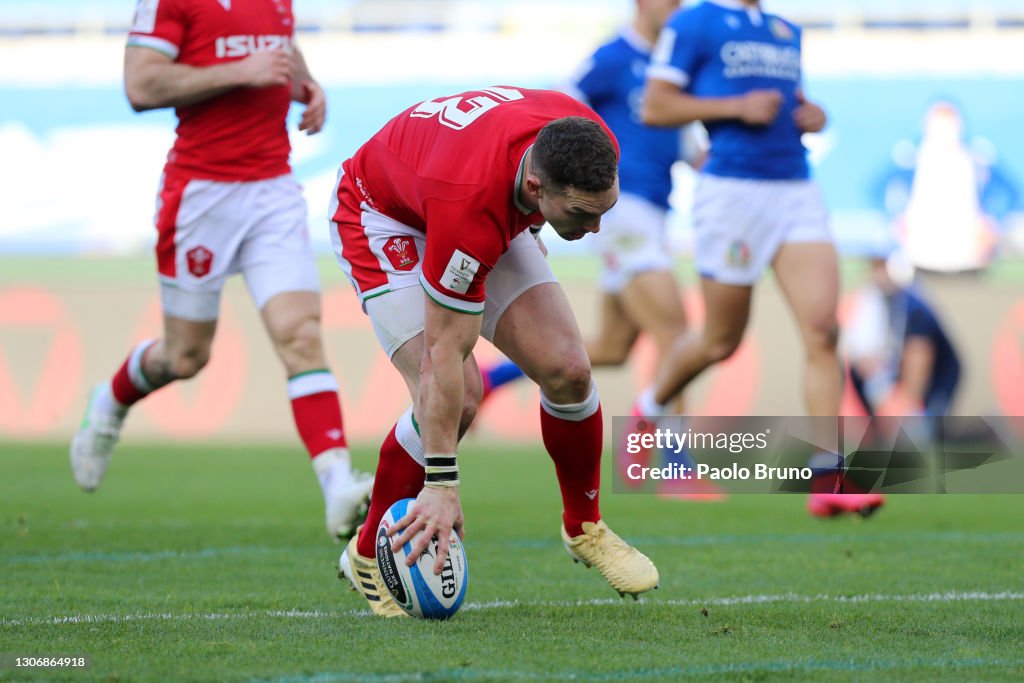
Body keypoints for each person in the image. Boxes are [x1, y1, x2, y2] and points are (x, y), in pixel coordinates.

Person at [330, 86, 659, 617]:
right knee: (459, 399)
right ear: (538, 186)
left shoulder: (591, 139)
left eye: (606, 210)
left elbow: (532, 184)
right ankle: (367, 552)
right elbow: (443, 351)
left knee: (569, 371)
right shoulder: (469, 208)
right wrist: (441, 482)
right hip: (384, 216)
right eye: (581, 213)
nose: (596, 228)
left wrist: (538, 219)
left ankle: (584, 527)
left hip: (479, 198)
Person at [70, 0, 373, 541]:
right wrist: (243, 71)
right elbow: (140, 86)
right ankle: (112, 400)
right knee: (185, 356)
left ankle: (337, 486)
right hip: (200, 196)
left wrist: (306, 84)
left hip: (273, 189)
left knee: (300, 334)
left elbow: (278, 50)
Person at [641, 0, 882, 516]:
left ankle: (830, 473)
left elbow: (797, 104)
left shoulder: (784, 29)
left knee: (823, 329)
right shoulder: (694, 21)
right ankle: (652, 405)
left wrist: (816, 115)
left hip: (795, 187)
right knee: (720, 341)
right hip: (731, 193)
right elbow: (655, 106)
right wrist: (735, 109)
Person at [843, 251, 962, 421]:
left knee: (917, 432)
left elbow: (919, 359)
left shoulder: (914, 303)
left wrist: (904, 406)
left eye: (883, 265)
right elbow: (861, 354)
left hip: (934, 379)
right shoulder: (871, 299)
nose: (879, 273)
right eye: (876, 266)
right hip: (894, 373)